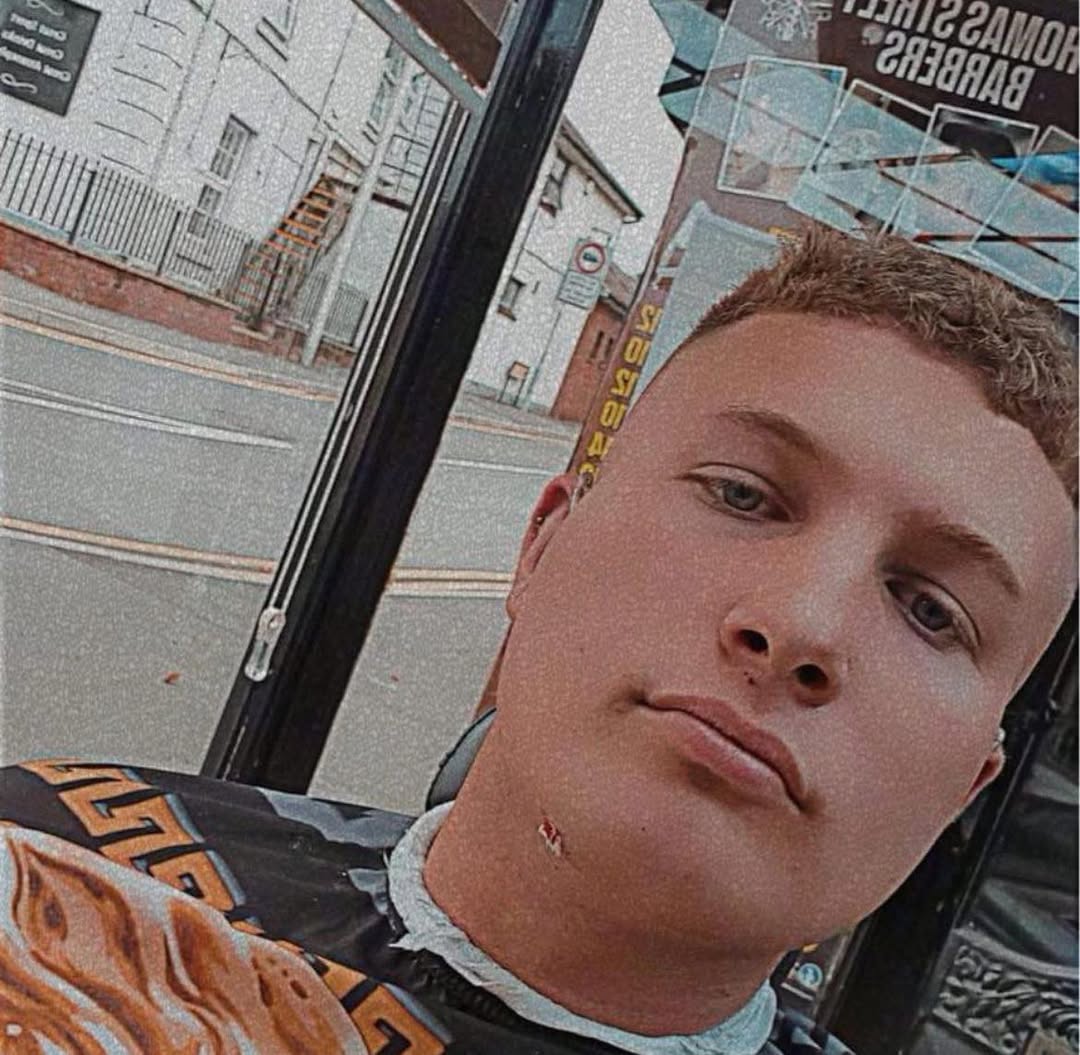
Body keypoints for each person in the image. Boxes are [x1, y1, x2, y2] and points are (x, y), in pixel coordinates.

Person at [0, 225, 1074, 1055]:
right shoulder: (46, 870)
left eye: (931, 609)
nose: (802, 625)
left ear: (965, 788)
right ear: (542, 544)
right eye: (743, 494)